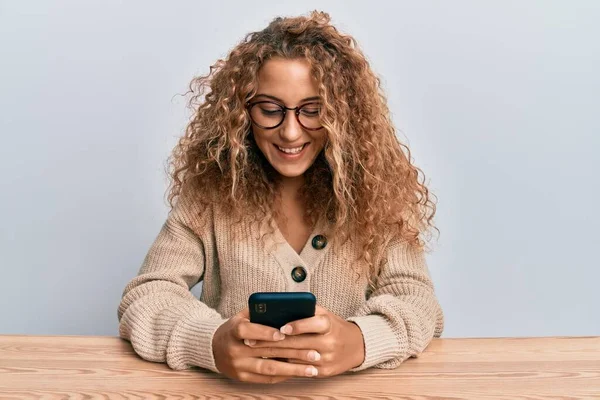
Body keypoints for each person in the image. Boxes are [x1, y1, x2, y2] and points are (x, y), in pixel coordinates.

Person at [117, 10, 444, 384]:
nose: (290, 132)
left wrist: (360, 341)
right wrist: (210, 342)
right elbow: (147, 295)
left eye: (314, 111)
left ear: (343, 116)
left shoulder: (376, 192)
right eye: (270, 110)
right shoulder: (210, 196)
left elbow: (418, 301)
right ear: (242, 113)